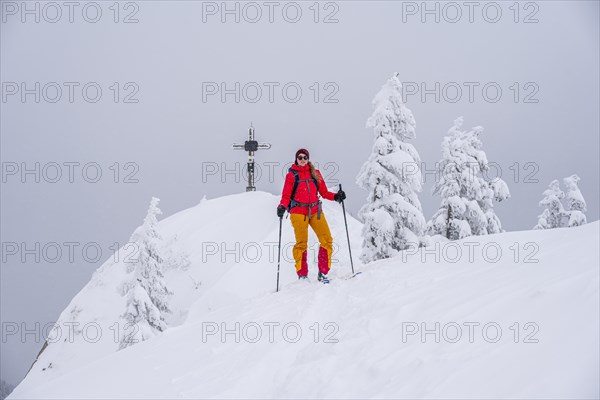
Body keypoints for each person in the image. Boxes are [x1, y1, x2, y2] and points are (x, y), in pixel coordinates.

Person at [276, 148, 346, 282]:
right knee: (301, 244)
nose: (302, 160)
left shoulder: (315, 173)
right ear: (296, 159)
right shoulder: (292, 175)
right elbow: (286, 195)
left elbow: (324, 193)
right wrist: (282, 206)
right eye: (300, 157)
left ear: (308, 159)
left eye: (305, 157)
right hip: (298, 212)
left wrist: (336, 196)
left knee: (327, 239)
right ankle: (302, 275)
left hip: (315, 211)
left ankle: (323, 272)